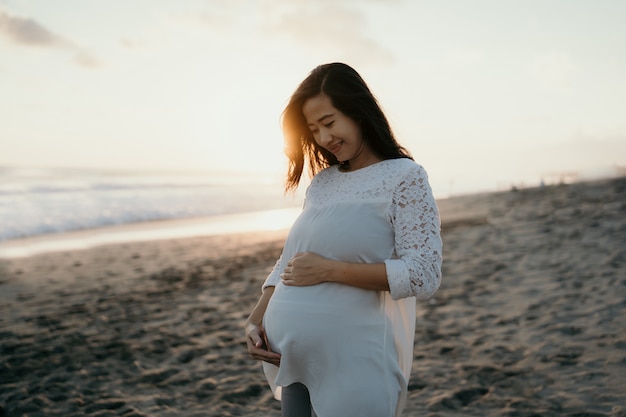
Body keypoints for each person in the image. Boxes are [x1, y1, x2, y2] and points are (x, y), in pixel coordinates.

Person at [245, 62, 443, 417]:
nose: (323, 139)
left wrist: (329, 271)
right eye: (313, 129)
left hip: (355, 361)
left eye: (330, 122)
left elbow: (423, 274)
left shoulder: (405, 177)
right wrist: (257, 319)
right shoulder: (322, 183)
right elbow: (290, 259)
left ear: (359, 111)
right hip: (291, 358)